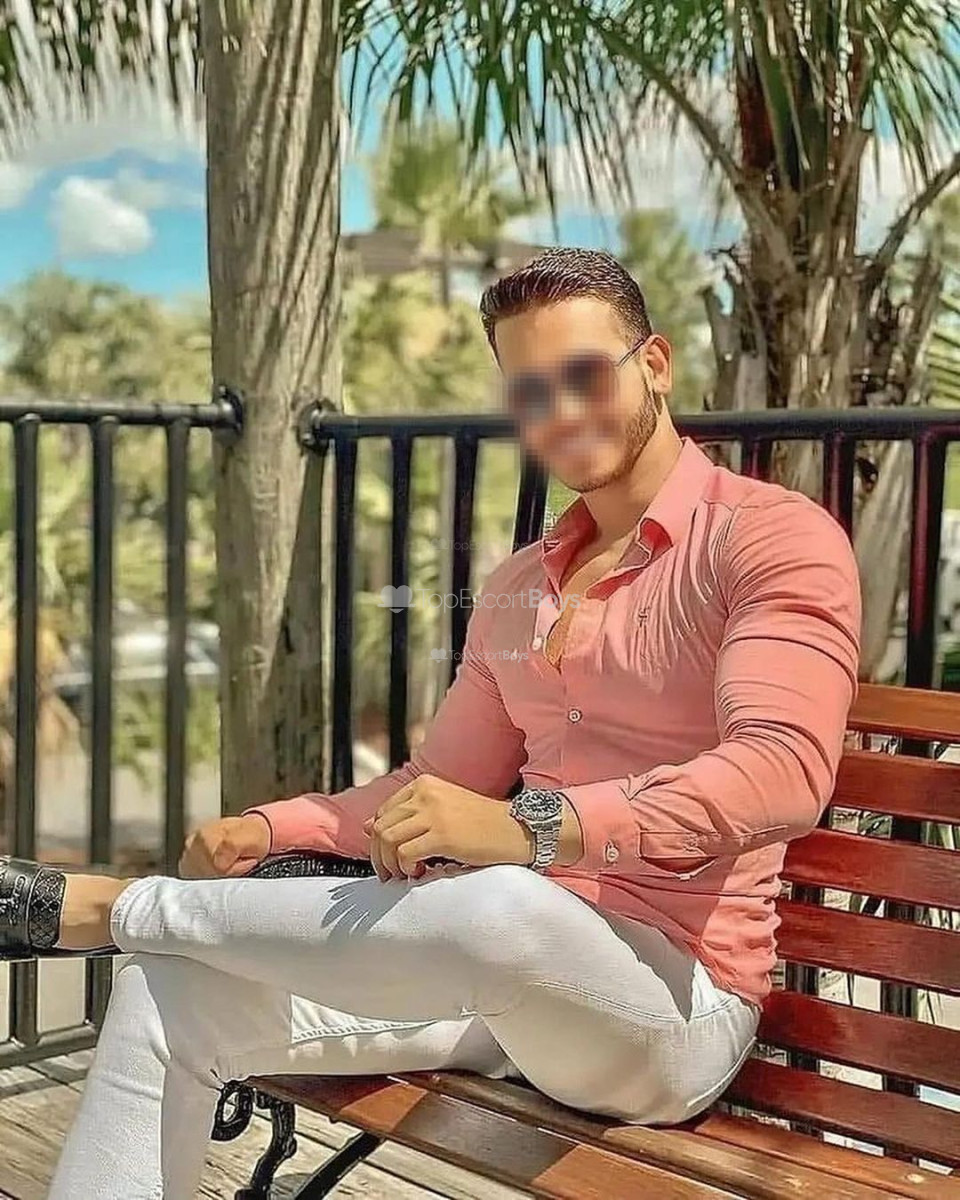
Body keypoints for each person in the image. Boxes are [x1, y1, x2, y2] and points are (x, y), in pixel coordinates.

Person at [0, 248, 861, 1199]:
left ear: (653, 364)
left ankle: (115, 910)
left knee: (501, 902)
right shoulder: (521, 587)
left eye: (584, 375)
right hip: (500, 989)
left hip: (671, 1008)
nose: (561, 411)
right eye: (530, 392)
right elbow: (432, 787)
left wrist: (533, 828)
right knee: (167, 993)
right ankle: (135, 936)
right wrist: (271, 828)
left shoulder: (767, 538)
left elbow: (783, 769)